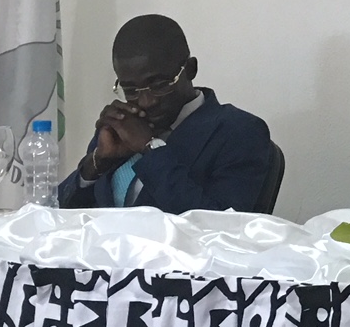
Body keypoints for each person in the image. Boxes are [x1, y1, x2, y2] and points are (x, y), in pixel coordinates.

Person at [57, 14, 274, 212]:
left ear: (190, 69)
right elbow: (56, 216)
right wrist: (95, 164)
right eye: (131, 90)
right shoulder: (121, 126)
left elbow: (220, 227)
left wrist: (151, 148)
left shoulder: (239, 132)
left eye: (160, 85)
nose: (146, 101)